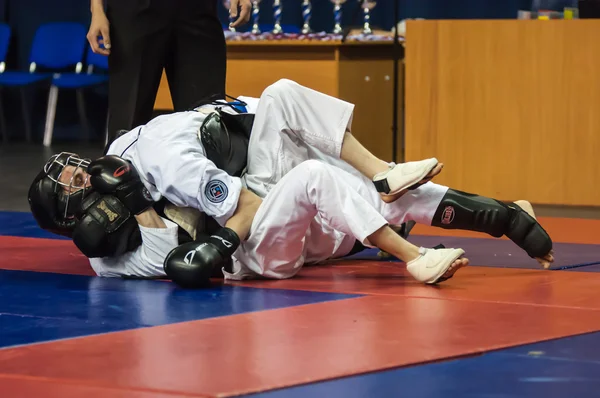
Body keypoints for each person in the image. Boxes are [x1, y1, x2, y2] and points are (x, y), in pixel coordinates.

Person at [27, 80, 553, 286]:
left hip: (259, 210)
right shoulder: (109, 256)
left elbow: (241, 203)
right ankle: (411, 252)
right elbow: (179, 256)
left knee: (362, 186)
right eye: (69, 184)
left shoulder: (151, 159)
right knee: (315, 173)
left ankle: (503, 214)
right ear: (77, 220)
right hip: (254, 251)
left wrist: (217, 234)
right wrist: (208, 238)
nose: (75, 173)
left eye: (71, 169)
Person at [86, 0, 252, 136]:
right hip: (134, 11)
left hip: (197, 10)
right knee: (128, 124)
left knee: (206, 122)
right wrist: (97, 9)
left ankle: (207, 177)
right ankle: (119, 174)